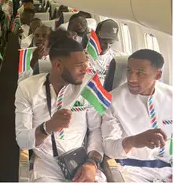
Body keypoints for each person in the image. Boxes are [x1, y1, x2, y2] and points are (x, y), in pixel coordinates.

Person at [15, 29, 104, 182]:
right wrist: (47, 127)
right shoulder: (27, 88)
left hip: (81, 160)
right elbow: (22, 140)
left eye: (85, 64)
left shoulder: (88, 85)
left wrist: (92, 163)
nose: (85, 70)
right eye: (79, 65)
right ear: (57, 66)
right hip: (46, 165)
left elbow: (96, 129)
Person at [101, 49, 172, 182]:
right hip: (130, 170)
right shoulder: (112, 100)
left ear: (157, 75)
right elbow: (109, 148)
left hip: (169, 169)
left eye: (140, 73)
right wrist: (134, 141)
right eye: (129, 71)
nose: (131, 78)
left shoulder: (171, 96)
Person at [89, 19, 123, 84]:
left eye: (111, 43)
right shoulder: (85, 57)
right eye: (104, 42)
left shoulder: (117, 58)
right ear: (96, 37)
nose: (107, 47)